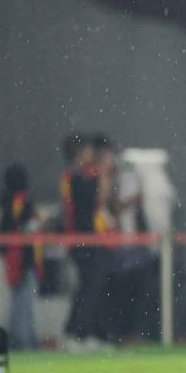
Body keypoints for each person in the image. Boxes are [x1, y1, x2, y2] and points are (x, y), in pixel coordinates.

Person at [60, 133, 111, 350]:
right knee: (88, 288)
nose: (93, 155)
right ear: (79, 154)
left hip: (91, 239)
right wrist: (104, 173)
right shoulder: (75, 177)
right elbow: (98, 200)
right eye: (89, 151)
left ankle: (91, 334)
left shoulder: (83, 175)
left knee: (95, 287)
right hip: (82, 240)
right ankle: (73, 335)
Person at [0, 165, 42, 350]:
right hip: (21, 258)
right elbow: (24, 227)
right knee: (23, 302)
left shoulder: (7, 200)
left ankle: (24, 340)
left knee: (22, 301)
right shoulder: (19, 200)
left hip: (15, 256)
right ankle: (23, 342)